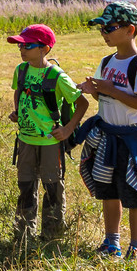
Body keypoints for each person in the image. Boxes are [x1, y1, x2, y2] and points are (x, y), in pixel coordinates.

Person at [76, 3, 137, 263]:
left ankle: (136, 250)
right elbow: (103, 95)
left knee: (134, 196)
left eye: (110, 28)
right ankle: (111, 242)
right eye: (101, 28)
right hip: (107, 138)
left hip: (132, 141)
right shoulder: (107, 62)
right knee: (109, 192)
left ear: (130, 30)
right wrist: (94, 90)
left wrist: (111, 90)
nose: (104, 33)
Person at [7, 24, 89, 244]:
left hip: (51, 142)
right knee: (25, 185)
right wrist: (17, 112)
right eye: (20, 45)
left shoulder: (57, 76)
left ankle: (52, 235)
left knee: (52, 186)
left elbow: (82, 103)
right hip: (26, 140)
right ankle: (24, 234)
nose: (22, 49)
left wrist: (68, 129)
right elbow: (19, 91)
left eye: (27, 45)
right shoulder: (21, 70)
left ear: (44, 49)